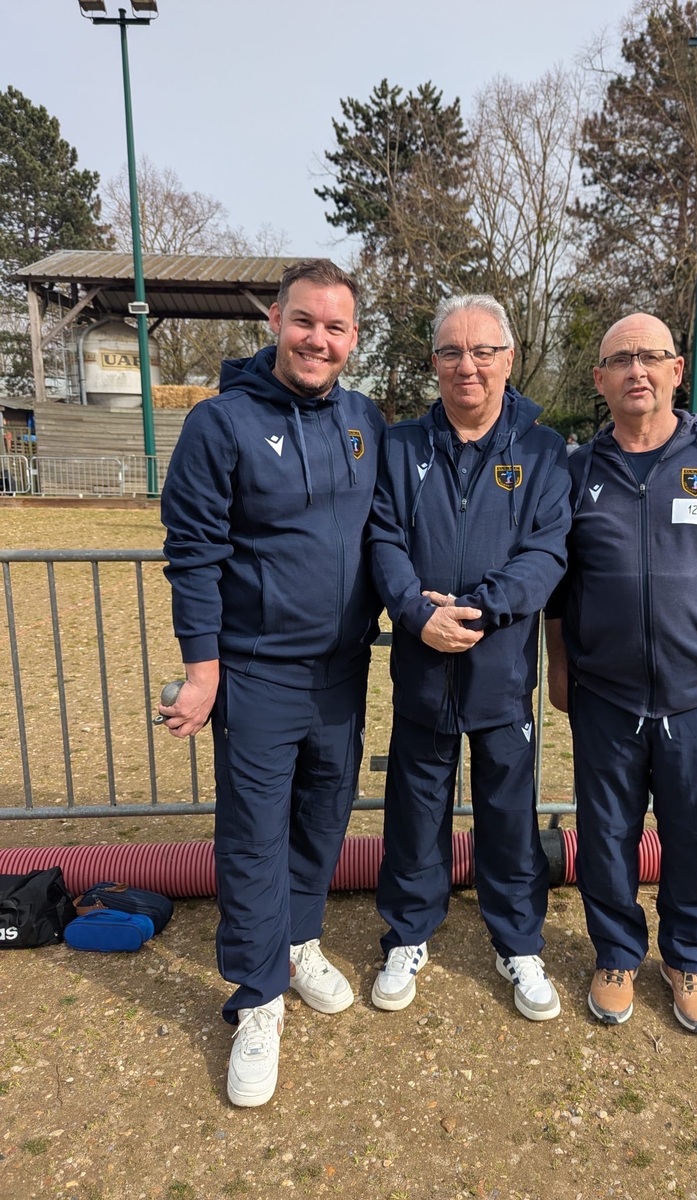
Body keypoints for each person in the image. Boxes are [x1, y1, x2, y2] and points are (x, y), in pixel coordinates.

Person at [159, 258, 384, 1107]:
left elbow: (388, 531)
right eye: (304, 322)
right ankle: (257, 999)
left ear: (353, 338)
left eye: (335, 327)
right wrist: (202, 668)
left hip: (344, 670)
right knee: (254, 834)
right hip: (257, 672)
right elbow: (194, 552)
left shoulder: (364, 420)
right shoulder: (220, 423)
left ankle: (296, 942)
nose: (317, 340)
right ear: (274, 322)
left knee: (325, 815)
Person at [545, 313, 697, 1034]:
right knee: (606, 833)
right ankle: (617, 953)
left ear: (677, 370)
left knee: (694, 835)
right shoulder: (576, 470)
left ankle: (686, 958)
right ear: (600, 379)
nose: (637, 371)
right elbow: (557, 587)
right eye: (621, 360)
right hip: (606, 694)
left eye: (651, 357)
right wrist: (560, 668)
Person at [368, 294, 571, 1022]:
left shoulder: (544, 451)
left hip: (502, 670)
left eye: (484, 351)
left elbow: (547, 551)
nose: (468, 366)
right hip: (423, 665)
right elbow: (382, 538)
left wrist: (478, 610)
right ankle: (408, 934)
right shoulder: (400, 446)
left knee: (508, 814)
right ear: (434, 362)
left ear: (509, 359)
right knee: (415, 809)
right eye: (453, 351)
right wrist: (417, 612)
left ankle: (518, 942)